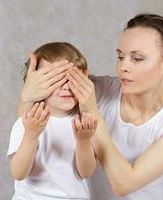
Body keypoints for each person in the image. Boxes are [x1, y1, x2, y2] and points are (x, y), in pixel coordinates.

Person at [17, 14, 163, 200]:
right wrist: (28, 95)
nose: (123, 66)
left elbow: (124, 184)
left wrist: (91, 110)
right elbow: (25, 126)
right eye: (121, 57)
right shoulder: (98, 90)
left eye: (137, 59)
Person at [7, 42, 98, 200]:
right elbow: (18, 173)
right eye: (57, 79)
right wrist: (31, 135)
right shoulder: (29, 121)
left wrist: (83, 140)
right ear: (38, 83)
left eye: (72, 79)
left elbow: (87, 172)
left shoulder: (83, 122)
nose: (66, 87)